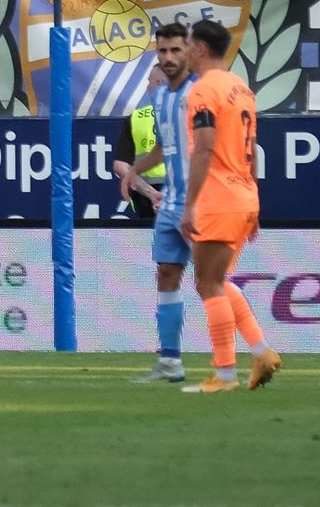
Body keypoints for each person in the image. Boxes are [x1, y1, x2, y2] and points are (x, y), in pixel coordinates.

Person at [177, 19, 282, 394]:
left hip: (218, 197)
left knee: (207, 284)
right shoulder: (241, 87)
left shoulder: (203, 91)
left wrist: (190, 205)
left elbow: (204, 147)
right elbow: (251, 146)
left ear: (201, 49)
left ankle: (224, 375)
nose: (184, 51)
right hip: (244, 195)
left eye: (187, 45)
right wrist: (253, 200)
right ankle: (261, 352)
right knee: (217, 282)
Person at [114, 23, 196, 385]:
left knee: (211, 281)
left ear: (189, 51)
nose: (168, 59)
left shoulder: (200, 95)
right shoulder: (160, 102)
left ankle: (256, 349)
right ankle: (170, 361)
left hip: (198, 197)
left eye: (174, 51)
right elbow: (162, 148)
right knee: (166, 273)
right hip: (168, 200)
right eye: (162, 52)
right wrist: (134, 172)